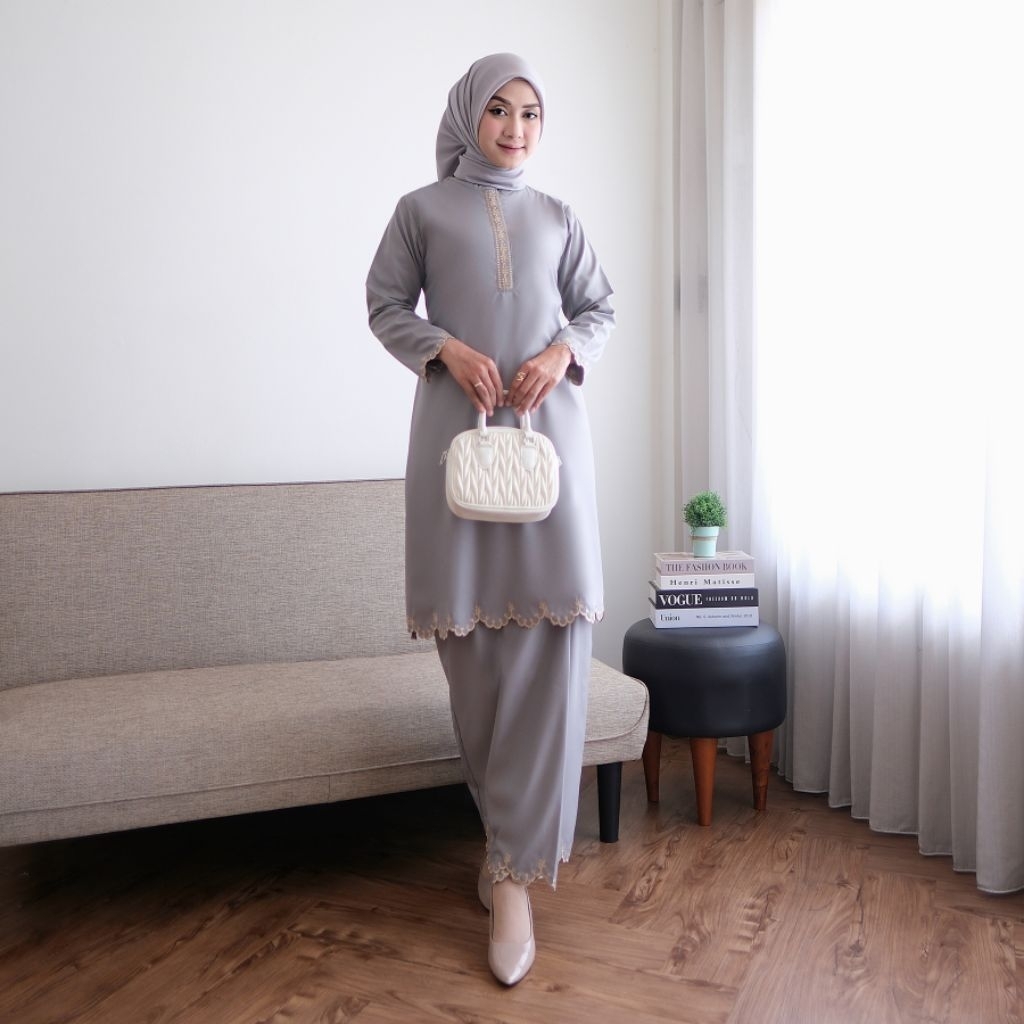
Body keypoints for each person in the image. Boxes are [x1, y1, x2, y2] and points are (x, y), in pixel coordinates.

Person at [365, 52, 614, 986]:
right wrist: (444, 349)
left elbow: (599, 307)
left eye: (530, 114)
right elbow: (384, 304)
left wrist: (559, 353)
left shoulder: (558, 217)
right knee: (470, 656)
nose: (515, 128)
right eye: (499, 110)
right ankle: (504, 839)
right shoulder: (420, 212)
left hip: (552, 447)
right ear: (469, 114)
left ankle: (512, 878)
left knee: (554, 645)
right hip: (456, 450)